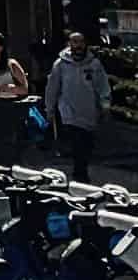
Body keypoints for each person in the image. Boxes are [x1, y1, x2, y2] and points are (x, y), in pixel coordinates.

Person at [46, 30, 113, 182]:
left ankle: (81, 171)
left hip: (89, 113)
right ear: (69, 44)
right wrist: (49, 109)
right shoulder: (60, 65)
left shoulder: (94, 64)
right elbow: (52, 89)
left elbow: (102, 87)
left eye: (81, 42)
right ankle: (79, 175)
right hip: (68, 113)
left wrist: (105, 106)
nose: (78, 45)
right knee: (76, 143)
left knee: (87, 146)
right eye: (75, 42)